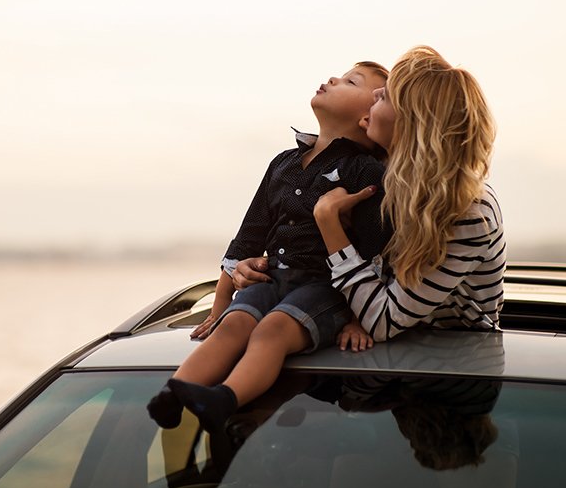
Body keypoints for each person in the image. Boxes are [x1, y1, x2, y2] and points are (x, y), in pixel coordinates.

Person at [148, 61, 393, 433]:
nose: (332, 79)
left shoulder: (365, 172)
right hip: (272, 278)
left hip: (325, 288)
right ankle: (174, 393)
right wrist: (218, 308)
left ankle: (227, 399)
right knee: (234, 324)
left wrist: (361, 321)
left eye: (349, 81)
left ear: (366, 119)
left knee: (270, 331)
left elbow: (377, 249)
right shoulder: (283, 163)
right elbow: (249, 236)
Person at [310, 45, 506, 345]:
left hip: (448, 373)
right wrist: (259, 265)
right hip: (374, 369)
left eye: (385, 96)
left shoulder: (467, 209)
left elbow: (383, 320)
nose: (375, 96)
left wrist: (329, 223)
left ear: (412, 121)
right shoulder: (375, 177)